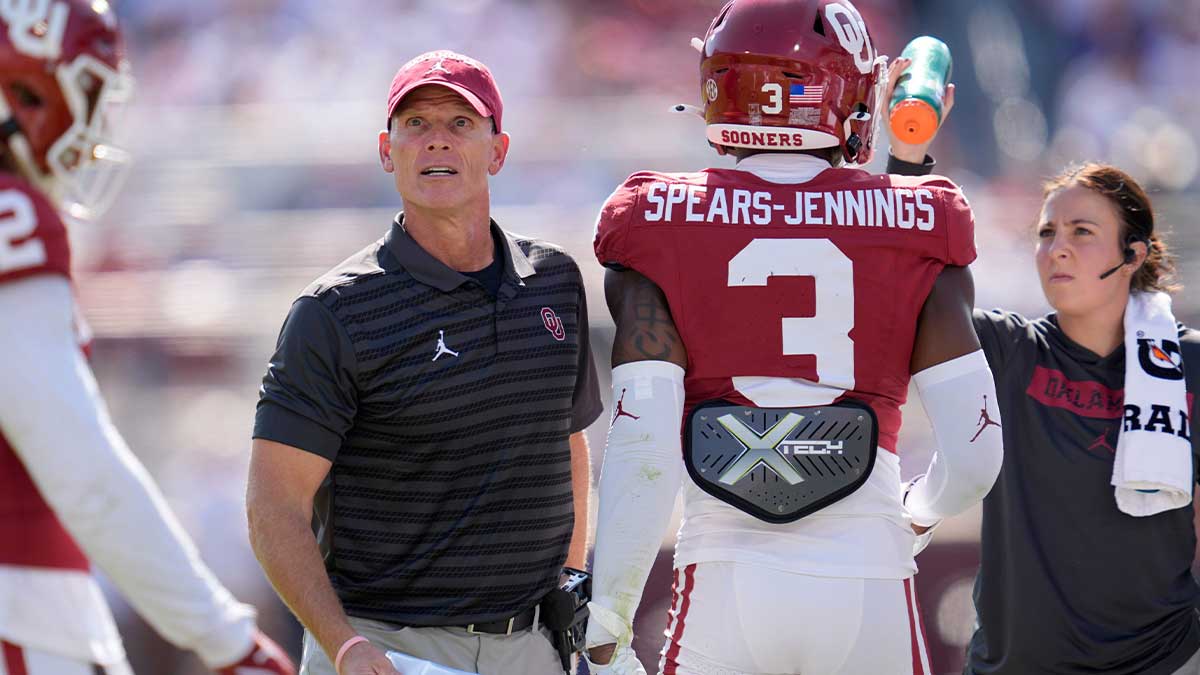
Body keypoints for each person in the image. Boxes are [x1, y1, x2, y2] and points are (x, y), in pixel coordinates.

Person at [583, 1, 1003, 673]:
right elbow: (976, 456)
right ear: (844, 89)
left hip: (722, 572)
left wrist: (608, 620)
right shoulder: (919, 221)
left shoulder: (655, 218)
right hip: (869, 575)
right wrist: (916, 514)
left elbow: (645, 444)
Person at [247, 50, 602, 675]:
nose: (436, 141)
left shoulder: (554, 280)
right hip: (390, 648)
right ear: (388, 151)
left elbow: (565, 443)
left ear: (498, 150)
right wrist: (344, 645)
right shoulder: (334, 312)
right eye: (416, 124)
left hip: (532, 649)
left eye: (460, 124)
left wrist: (571, 581)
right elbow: (274, 506)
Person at [0, 3, 296, 675]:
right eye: (87, 95)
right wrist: (227, 638)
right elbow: (85, 474)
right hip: (21, 611)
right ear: (23, 90)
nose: (92, 127)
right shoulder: (13, 213)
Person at [885, 88, 1200, 675]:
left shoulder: (1190, 366)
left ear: (1133, 254)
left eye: (1081, 232)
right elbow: (895, 285)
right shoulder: (1008, 351)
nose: (1056, 250)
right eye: (1046, 233)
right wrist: (907, 155)